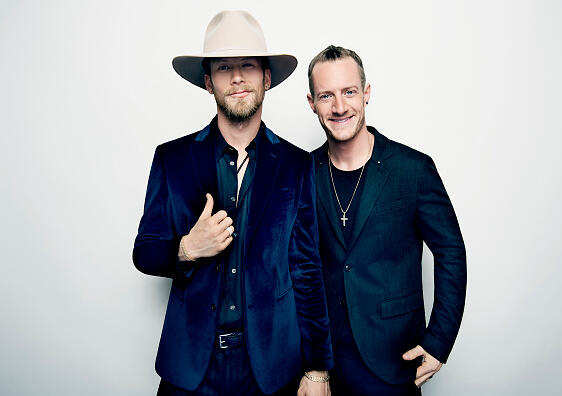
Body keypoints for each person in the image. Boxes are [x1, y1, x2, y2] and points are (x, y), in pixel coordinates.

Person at [133, 11, 332, 396]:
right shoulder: (171, 160)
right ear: (208, 82)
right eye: (224, 67)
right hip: (191, 369)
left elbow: (306, 270)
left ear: (266, 78)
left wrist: (318, 367)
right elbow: (145, 251)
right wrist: (188, 248)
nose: (237, 77)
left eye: (248, 66)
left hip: (272, 369)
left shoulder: (295, 165)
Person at [306, 45, 467, 395]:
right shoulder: (302, 173)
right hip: (323, 367)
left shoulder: (413, 170)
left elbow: (451, 251)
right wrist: (311, 365)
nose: (339, 106)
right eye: (326, 96)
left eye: (349, 92)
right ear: (311, 103)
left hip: (393, 362)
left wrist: (439, 340)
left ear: (366, 94)